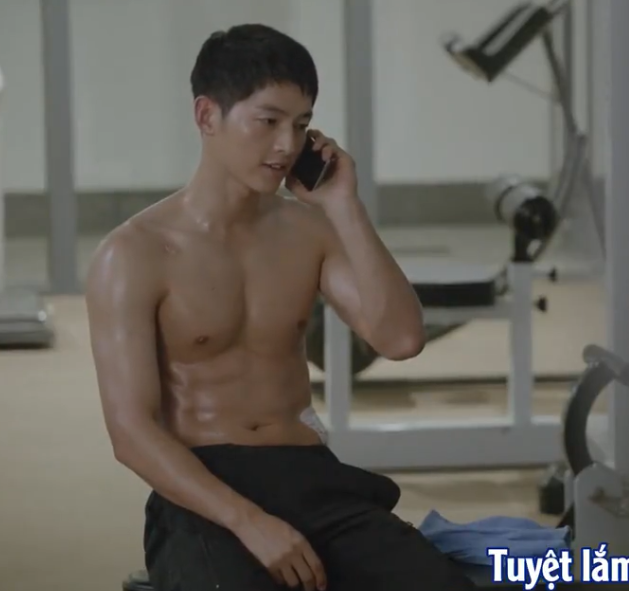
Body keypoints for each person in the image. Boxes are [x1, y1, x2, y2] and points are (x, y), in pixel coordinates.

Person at [86, 24, 476, 591]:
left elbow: (400, 339)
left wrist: (344, 206)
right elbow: (131, 432)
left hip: (312, 477)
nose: (286, 145)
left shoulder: (308, 231)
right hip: (204, 491)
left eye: (300, 124)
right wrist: (250, 522)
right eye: (267, 121)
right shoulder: (133, 254)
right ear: (207, 116)